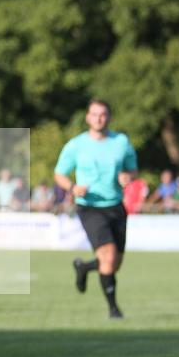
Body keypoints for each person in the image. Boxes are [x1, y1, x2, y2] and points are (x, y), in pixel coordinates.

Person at [54, 99, 137, 319]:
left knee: (114, 263)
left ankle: (83, 268)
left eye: (103, 114)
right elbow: (59, 174)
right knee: (108, 258)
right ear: (87, 117)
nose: (99, 118)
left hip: (116, 206)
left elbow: (133, 169)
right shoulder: (76, 145)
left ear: (109, 117)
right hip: (90, 207)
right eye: (94, 114)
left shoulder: (121, 142)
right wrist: (73, 188)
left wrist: (128, 177)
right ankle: (114, 310)